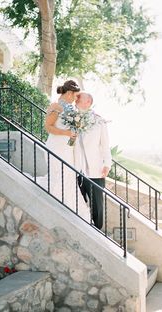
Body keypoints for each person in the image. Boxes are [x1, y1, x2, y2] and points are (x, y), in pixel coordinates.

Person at [42, 80, 90, 221]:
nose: (76, 99)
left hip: (67, 149)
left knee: (68, 177)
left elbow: (72, 131)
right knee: (58, 176)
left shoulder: (71, 110)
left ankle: (69, 210)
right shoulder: (55, 106)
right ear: (69, 93)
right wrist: (66, 133)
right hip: (56, 147)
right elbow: (48, 127)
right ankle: (55, 209)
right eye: (75, 96)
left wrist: (74, 136)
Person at [74, 92, 112, 229]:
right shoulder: (71, 119)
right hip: (75, 169)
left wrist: (107, 164)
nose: (76, 99)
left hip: (95, 171)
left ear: (88, 102)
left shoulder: (99, 121)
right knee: (77, 203)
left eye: (79, 97)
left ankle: (98, 231)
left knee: (97, 206)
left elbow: (105, 146)